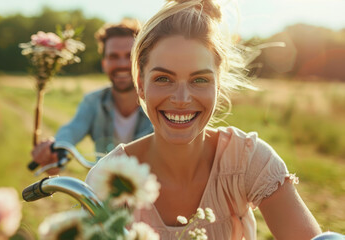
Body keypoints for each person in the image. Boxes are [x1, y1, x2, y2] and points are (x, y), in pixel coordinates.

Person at [86, 0, 322, 239]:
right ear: (140, 84)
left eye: (199, 80)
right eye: (163, 79)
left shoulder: (247, 160)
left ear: (218, 85)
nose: (181, 99)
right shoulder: (107, 179)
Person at [31, 19, 153, 175]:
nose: (122, 64)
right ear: (104, 63)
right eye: (113, 57)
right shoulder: (93, 101)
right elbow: (72, 129)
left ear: (141, 62)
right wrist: (57, 150)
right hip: (104, 189)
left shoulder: (157, 103)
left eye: (129, 56)